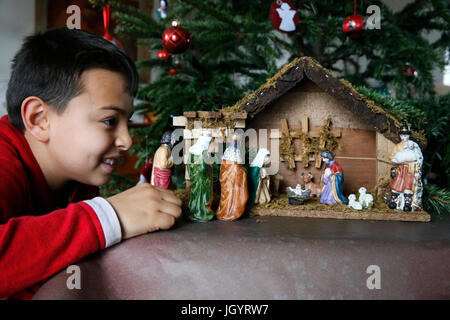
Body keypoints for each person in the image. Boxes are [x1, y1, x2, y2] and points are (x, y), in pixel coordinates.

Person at [0, 28, 182, 299]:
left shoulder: (76, 178)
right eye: (109, 121)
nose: (126, 140)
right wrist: (107, 216)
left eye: (127, 122)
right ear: (40, 119)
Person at [388, 125, 423, 211]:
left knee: (408, 185)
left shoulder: (413, 145)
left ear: (409, 135)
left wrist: (414, 160)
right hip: (401, 169)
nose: (404, 137)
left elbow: (419, 156)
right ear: (400, 136)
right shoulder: (398, 146)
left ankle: (407, 203)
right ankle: (394, 201)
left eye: (406, 135)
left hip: (410, 170)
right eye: (402, 135)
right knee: (397, 184)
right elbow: (392, 157)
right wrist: (398, 159)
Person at [215, 133, 248, 221]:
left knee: (228, 195)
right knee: (231, 195)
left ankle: (226, 211)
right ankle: (230, 212)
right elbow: (237, 166)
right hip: (232, 180)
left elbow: (225, 167)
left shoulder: (229, 152)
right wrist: (242, 171)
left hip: (230, 180)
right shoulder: (234, 152)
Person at [187, 130, 214, 222]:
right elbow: (204, 167)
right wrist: (210, 165)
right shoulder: (203, 152)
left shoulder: (193, 150)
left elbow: (189, 165)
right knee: (203, 196)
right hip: (202, 179)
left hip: (195, 178)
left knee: (195, 194)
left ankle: (194, 210)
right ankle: (202, 213)